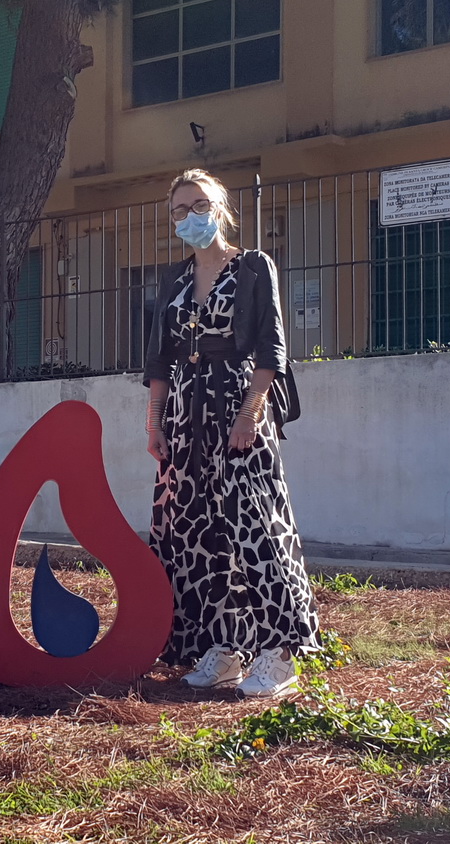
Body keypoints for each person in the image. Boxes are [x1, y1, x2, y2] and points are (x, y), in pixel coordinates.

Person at [142, 169, 321, 698]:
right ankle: (224, 647)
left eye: (198, 205)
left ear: (220, 208)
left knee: (256, 527)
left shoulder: (252, 268)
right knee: (199, 535)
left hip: (237, 407)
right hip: (184, 415)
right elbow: (158, 358)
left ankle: (281, 651)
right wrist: (155, 422)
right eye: (179, 210)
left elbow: (271, 347)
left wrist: (250, 414)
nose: (189, 217)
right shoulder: (174, 279)